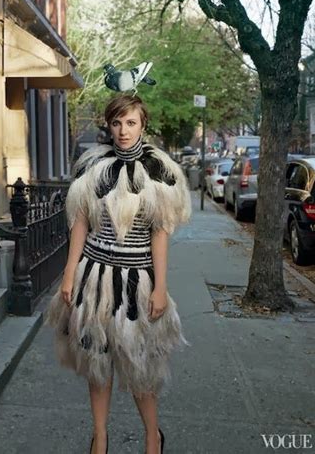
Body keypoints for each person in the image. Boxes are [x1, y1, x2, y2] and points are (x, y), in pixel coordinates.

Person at [46, 95, 191, 454]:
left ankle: (151, 437)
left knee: (142, 367)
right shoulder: (93, 166)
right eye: (116, 123)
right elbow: (80, 222)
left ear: (143, 125)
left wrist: (161, 287)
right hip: (93, 278)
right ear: (108, 125)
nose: (123, 131)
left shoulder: (160, 170)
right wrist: (68, 273)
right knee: (97, 363)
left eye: (130, 123)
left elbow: (160, 232)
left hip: (136, 284)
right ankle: (100, 438)